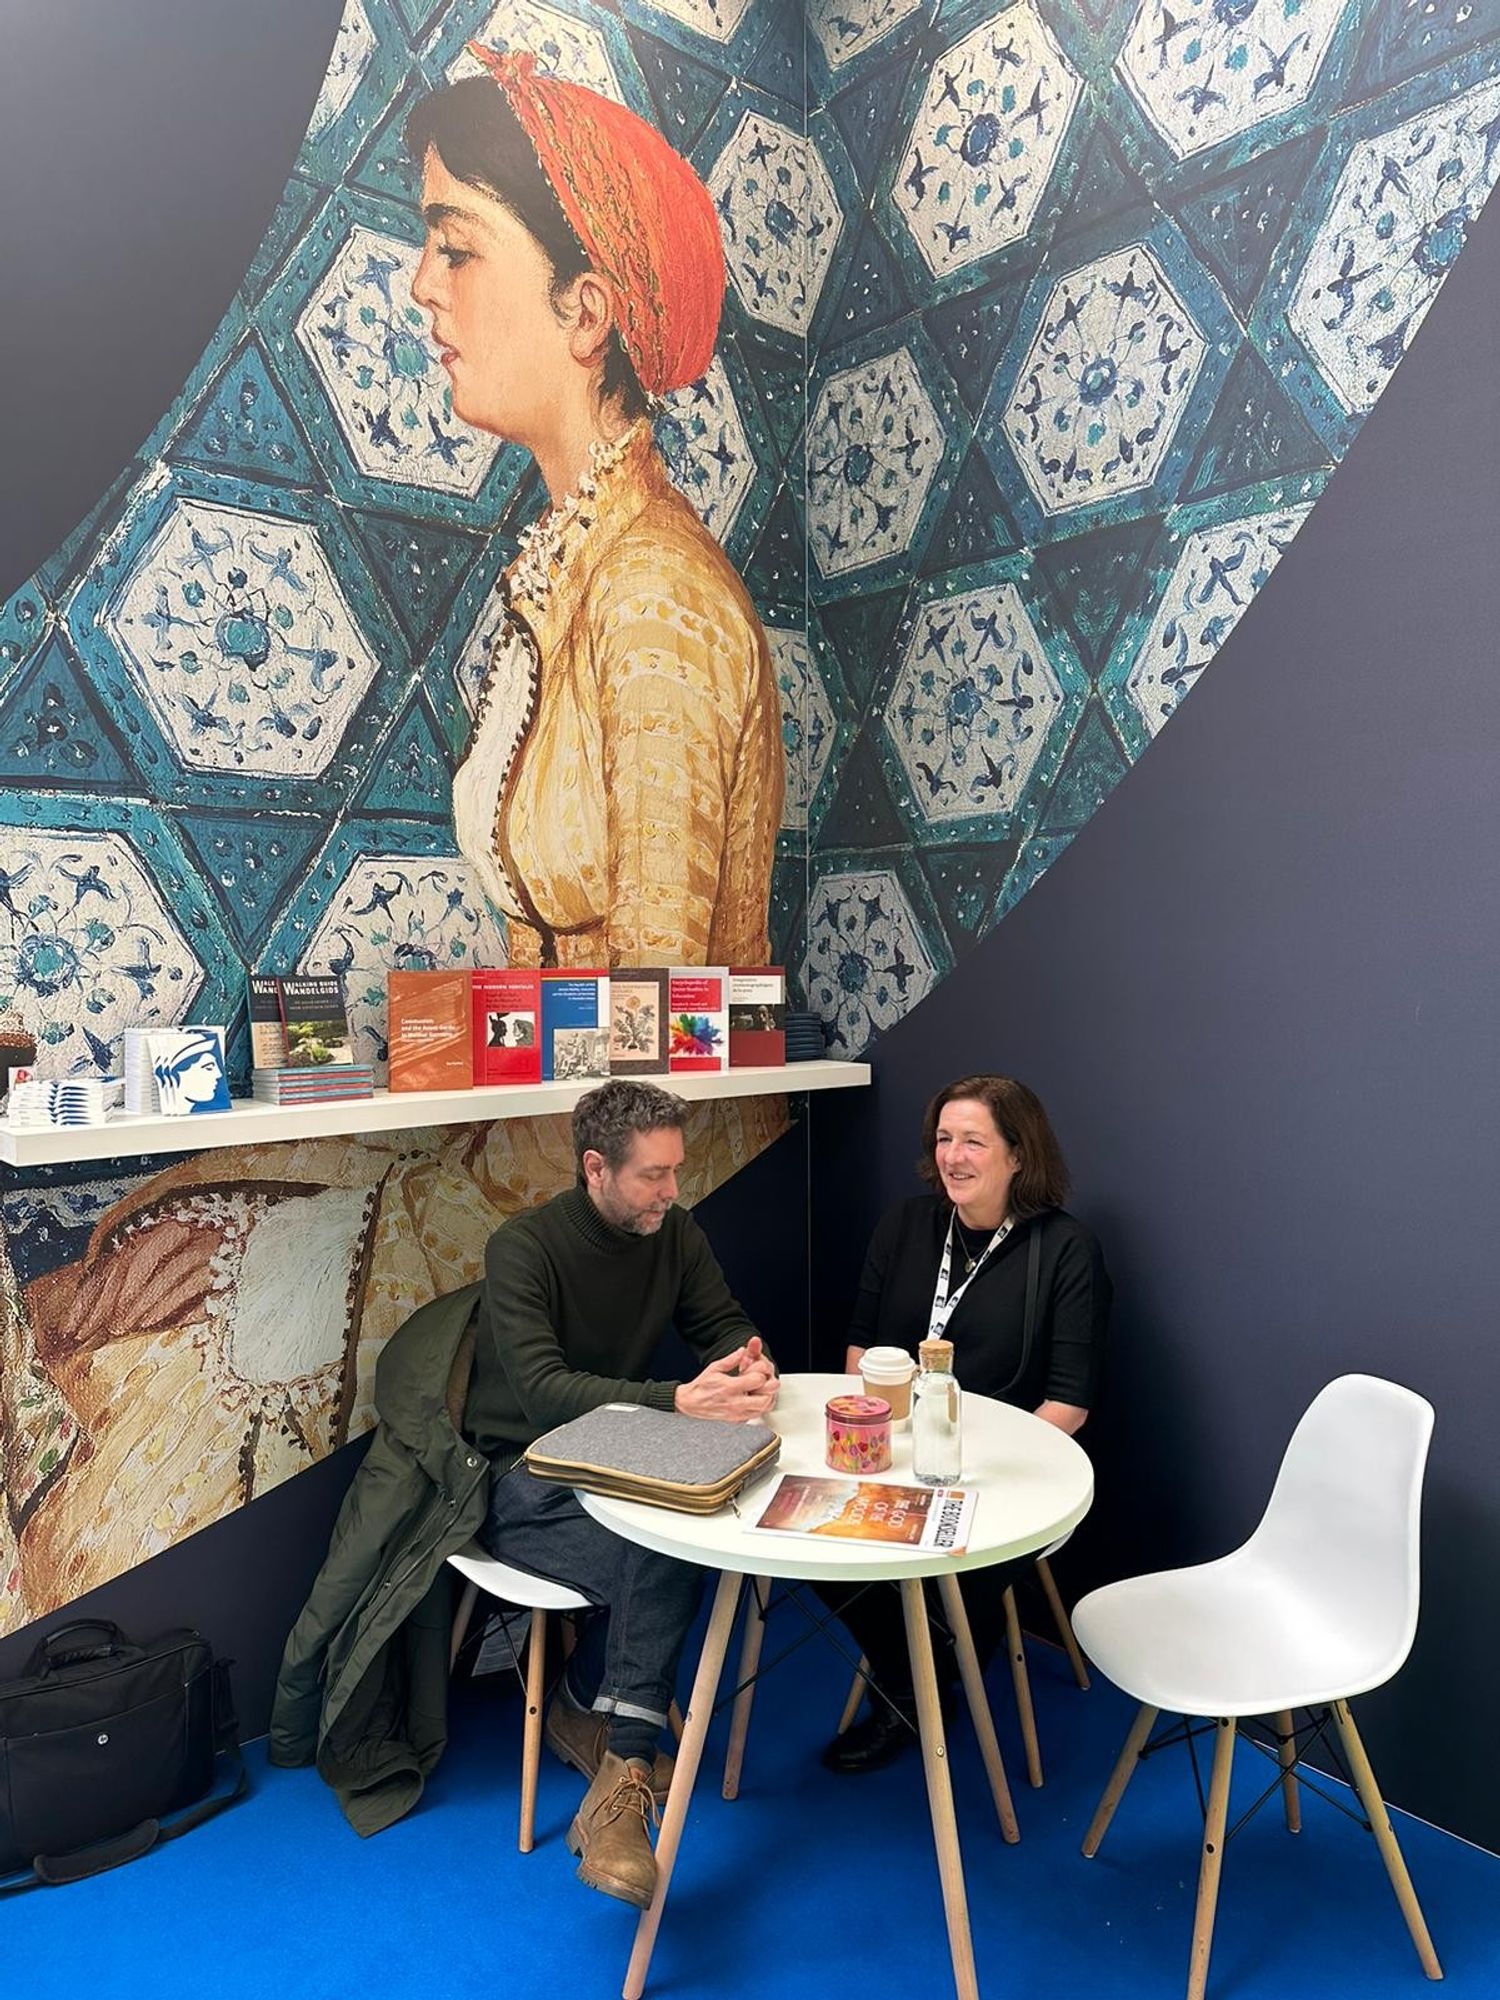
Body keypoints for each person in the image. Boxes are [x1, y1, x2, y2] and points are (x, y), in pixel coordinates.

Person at [406, 51, 784, 968]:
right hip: (568, 1108)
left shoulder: (654, 595)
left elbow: (662, 1037)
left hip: (651, 1112)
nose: (422, 283)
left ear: (585, 314)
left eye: (456, 248)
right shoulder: (575, 566)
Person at [468, 1079, 776, 1905]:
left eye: (677, 1171)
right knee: (667, 1544)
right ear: (596, 1168)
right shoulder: (522, 1247)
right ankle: (618, 1772)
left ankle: (610, 1746)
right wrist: (675, 1399)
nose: (673, 1192)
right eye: (653, 1176)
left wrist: (747, 1361)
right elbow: (540, 1394)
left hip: (623, 1461)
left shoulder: (673, 1233)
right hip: (518, 1476)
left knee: (678, 1533)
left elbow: (720, 1321)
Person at [820, 1074, 1111, 1773]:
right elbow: (860, 1347)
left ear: (1018, 1154)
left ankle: (912, 1691)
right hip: (896, 1453)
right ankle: (917, 1684)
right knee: (819, 1545)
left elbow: (1068, 1404)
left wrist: (970, 1470)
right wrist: (881, 1445)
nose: (953, 1155)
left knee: (949, 1572)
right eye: (944, 1139)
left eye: (974, 1141)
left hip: (1008, 1473)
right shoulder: (907, 1225)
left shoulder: (1066, 1249)